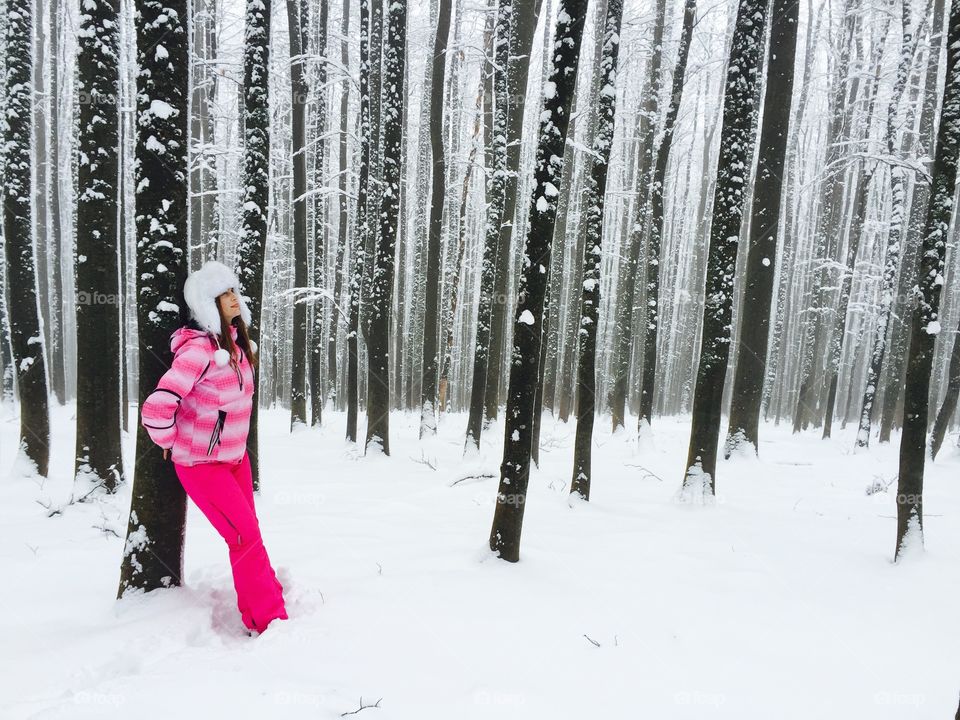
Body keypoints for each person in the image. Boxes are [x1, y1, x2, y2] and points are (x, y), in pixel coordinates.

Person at [140, 260, 288, 636]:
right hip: (202, 466)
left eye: (234, 291)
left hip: (236, 460)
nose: (233, 298)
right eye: (223, 294)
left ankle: (264, 605)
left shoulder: (236, 347)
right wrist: (170, 441)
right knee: (243, 538)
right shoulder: (198, 352)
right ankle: (269, 619)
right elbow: (157, 408)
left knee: (248, 534)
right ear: (208, 304)